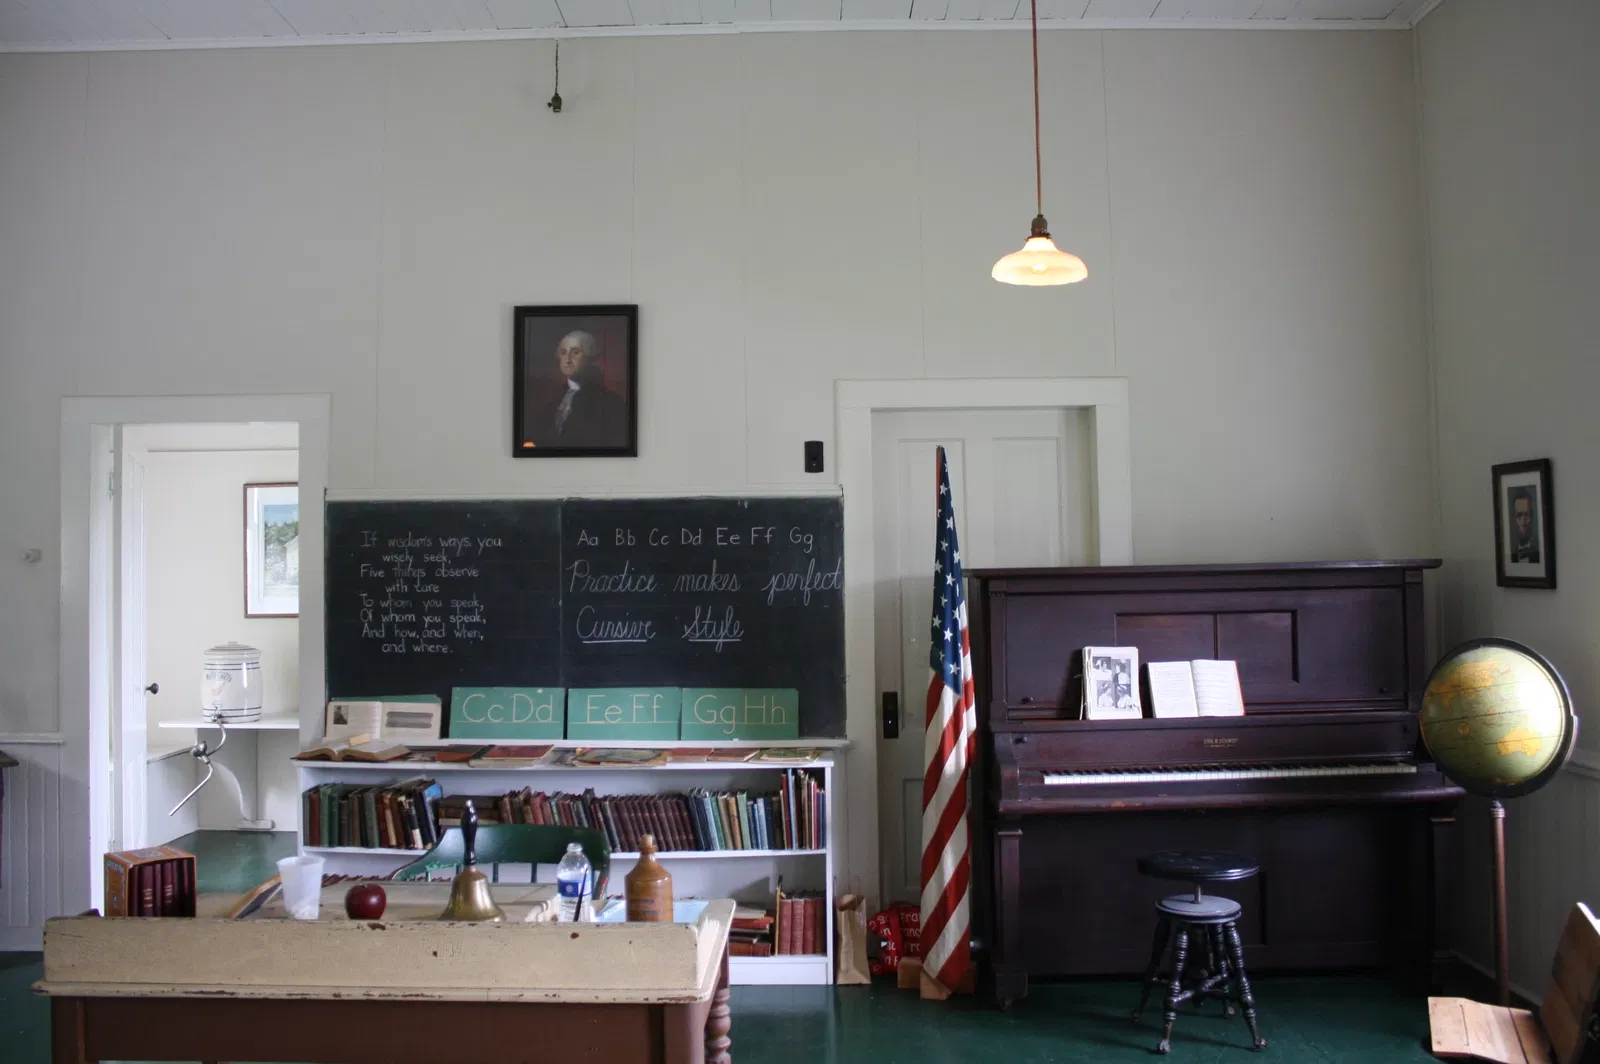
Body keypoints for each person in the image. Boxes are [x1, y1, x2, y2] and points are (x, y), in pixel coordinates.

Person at [529, 330, 627, 449]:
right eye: (563, 352)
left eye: (575, 352)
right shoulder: (552, 403)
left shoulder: (611, 402)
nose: (567, 359)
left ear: (590, 358)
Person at [1508, 488, 1540, 563]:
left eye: (1526, 515)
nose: (1523, 522)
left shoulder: (1539, 553)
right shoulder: (1511, 556)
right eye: (1519, 516)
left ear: (1532, 516)